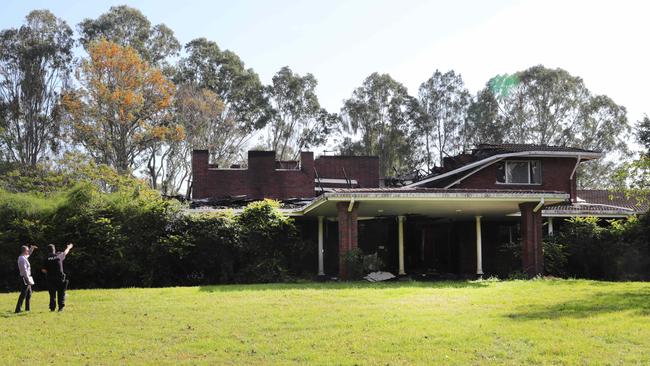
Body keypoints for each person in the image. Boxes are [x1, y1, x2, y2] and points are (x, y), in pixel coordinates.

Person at [43, 243, 73, 312]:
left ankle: (52, 308)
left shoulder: (46, 258)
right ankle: (60, 308)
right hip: (60, 278)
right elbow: (65, 252)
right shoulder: (58, 256)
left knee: (52, 295)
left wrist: (50, 272)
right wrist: (69, 247)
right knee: (61, 293)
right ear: (54, 250)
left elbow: (44, 270)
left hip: (51, 279)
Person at [15, 244, 37, 313]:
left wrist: (32, 248)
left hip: (27, 277)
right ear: (24, 251)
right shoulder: (21, 259)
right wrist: (28, 280)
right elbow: (24, 271)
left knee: (29, 293)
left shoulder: (24, 257)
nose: (28, 251)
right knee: (23, 294)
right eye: (27, 250)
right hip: (24, 278)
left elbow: (29, 254)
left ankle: (27, 309)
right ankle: (17, 310)